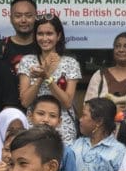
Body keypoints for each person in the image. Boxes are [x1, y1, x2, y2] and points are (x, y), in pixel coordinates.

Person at [18, 15, 81, 146]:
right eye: (40, 34)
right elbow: (25, 101)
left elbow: (67, 102)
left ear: (58, 36)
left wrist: (47, 77)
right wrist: (41, 78)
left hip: (62, 127)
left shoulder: (70, 63)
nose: (45, 38)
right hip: (34, 126)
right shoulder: (27, 61)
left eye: (49, 33)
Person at [0, 0, 39, 135]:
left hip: (38, 119)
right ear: (11, 18)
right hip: (5, 121)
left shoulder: (43, 47)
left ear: (36, 16)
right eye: (18, 16)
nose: (23, 20)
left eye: (28, 15)